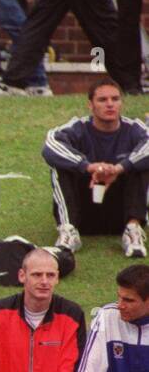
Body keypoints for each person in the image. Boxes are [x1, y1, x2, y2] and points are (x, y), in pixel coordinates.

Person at [43, 80, 149, 258]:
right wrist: (88, 167)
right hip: (84, 211)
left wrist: (119, 169)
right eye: (102, 99)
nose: (110, 104)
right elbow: (50, 146)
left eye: (115, 99)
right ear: (90, 105)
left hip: (121, 213)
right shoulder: (76, 128)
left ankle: (133, 231)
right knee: (60, 164)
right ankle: (68, 231)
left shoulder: (135, 128)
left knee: (141, 162)